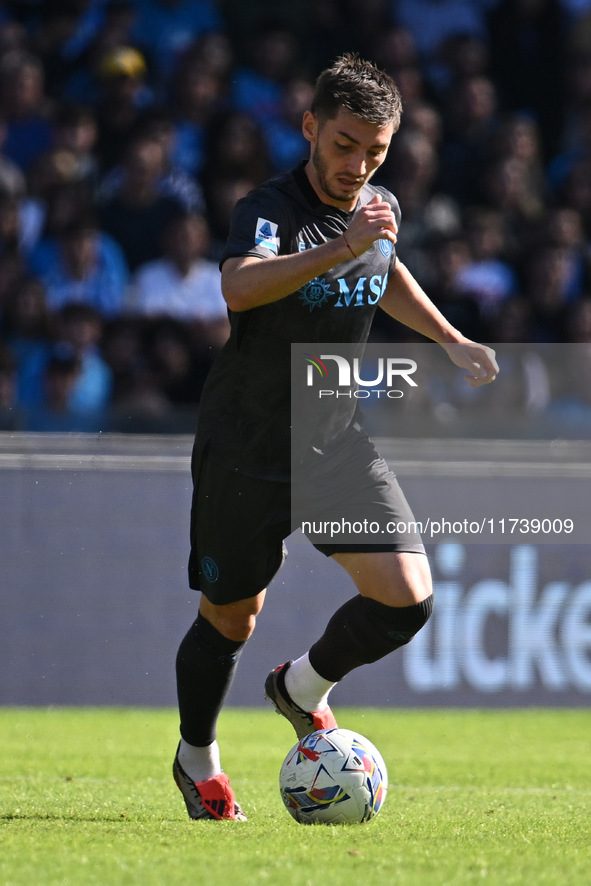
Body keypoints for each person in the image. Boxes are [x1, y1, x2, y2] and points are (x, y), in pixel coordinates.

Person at [172, 54, 498, 822]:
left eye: (375, 151)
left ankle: (300, 688)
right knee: (230, 618)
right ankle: (197, 760)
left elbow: (382, 271)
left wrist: (449, 340)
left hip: (332, 438)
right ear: (311, 127)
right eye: (345, 144)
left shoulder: (374, 209)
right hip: (247, 446)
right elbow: (240, 285)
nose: (359, 165)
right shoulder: (268, 207)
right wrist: (342, 246)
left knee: (406, 600)